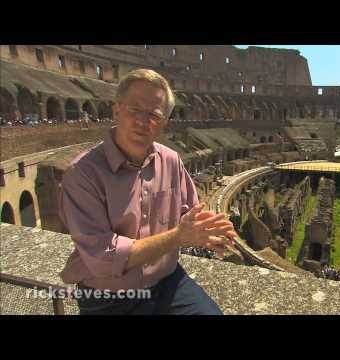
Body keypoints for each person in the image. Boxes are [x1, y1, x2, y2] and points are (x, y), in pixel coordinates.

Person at [58, 69, 237, 315]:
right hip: (108, 295)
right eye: (134, 109)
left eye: (154, 114)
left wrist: (210, 231)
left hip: (166, 282)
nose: (142, 121)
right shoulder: (82, 174)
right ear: (116, 110)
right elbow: (103, 259)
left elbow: (191, 214)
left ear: (164, 122)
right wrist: (177, 237)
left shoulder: (171, 160)